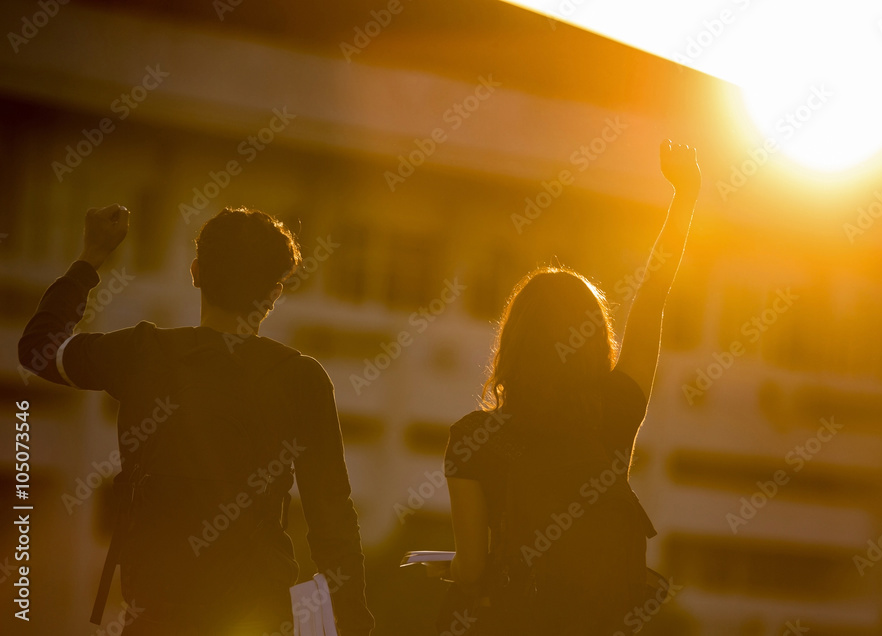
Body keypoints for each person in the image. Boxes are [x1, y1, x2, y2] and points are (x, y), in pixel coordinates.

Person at [18, 206, 375, 635]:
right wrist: (355, 622)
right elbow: (333, 520)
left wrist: (90, 258)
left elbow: (38, 348)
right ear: (274, 293)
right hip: (258, 620)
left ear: (196, 272)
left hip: (155, 619)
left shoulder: (143, 353)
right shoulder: (302, 379)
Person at [433, 141, 700, 635]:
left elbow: (471, 569)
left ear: (514, 342)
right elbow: (653, 297)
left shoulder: (472, 437)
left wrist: (447, 570)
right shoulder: (616, 408)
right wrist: (685, 196)